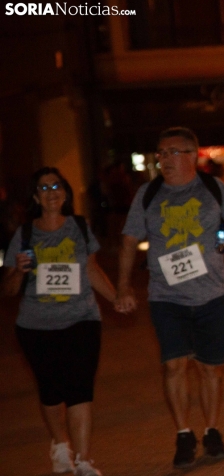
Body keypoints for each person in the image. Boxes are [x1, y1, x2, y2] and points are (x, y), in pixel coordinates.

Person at [114, 127, 224, 469]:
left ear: (191, 155)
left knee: (210, 369)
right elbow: (129, 241)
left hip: (212, 294)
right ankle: (183, 433)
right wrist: (122, 286)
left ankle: (211, 430)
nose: (163, 160)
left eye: (170, 152)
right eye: (159, 154)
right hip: (166, 297)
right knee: (174, 365)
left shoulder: (212, 188)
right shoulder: (148, 194)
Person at [1, 167, 117, 476]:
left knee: (80, 389)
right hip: (36, 326)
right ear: (36, 197)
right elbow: (8, 291)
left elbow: (91, 269)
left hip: (82, 319)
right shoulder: (24, 235)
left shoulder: (80, 227)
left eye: (57, 186)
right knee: (51, 393)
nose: (51, 191)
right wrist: (17, 271)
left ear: (65, 193)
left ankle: (82, 460)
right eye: (44, 187)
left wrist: (115, 297)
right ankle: (58, 444)